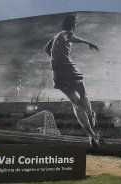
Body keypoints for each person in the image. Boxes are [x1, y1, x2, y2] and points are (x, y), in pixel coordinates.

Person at [44, 15, 100, 147]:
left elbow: (46, 48)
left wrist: (55, 59)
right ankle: (91, 117)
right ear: (73, 25)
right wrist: (88, 43)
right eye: (75, 23)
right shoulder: (67, 33)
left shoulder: (56, 36)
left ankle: (91, 136)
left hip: (56, 71)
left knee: (76, 104)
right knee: (84, 95)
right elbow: (69, 37)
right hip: (67, 68)